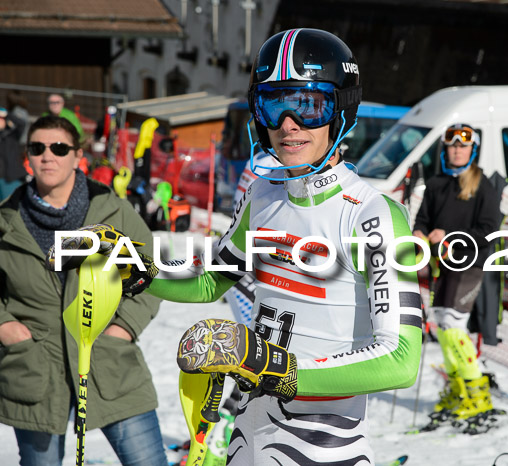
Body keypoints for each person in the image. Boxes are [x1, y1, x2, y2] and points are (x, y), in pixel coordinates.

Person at [68, 28, 421, 465]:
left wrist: (276, 369)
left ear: (340, 109)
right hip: (247, 441)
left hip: (324, 449)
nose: (288, 125)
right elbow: (211, 281)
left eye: (309, 106)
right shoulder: (264, 195)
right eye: (274, 104)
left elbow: (401, 360)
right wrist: (137, 266)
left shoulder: (374, 215)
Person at [0, 115, 168, 466]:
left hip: (110, 366)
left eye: (59, 148)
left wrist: (124, 328)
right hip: (34, 370)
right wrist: (7, 328)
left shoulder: (114, 212)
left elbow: (149, 273)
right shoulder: (5, 221)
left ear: (78, 156)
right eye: (38, 148)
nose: (48, 156)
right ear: (26, 157)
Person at [412, 124, 502, 428]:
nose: (456, 151)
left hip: (470, 263)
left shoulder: (482, 185)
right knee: (442, 322)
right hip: (443, 264)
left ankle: (478, 395)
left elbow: (489, 229)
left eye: (462, 146)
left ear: (472, 150)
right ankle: (458, 389)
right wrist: (420, 233)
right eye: (451, 146)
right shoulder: (437, 183)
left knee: (452, 324)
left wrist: (450, 235)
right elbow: (423, 218)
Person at [0, 107, 26, 200]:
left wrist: (7, 114)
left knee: (10, 208)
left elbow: (22, 124)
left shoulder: (12, 136)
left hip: (10, 179)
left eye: (1, 118)